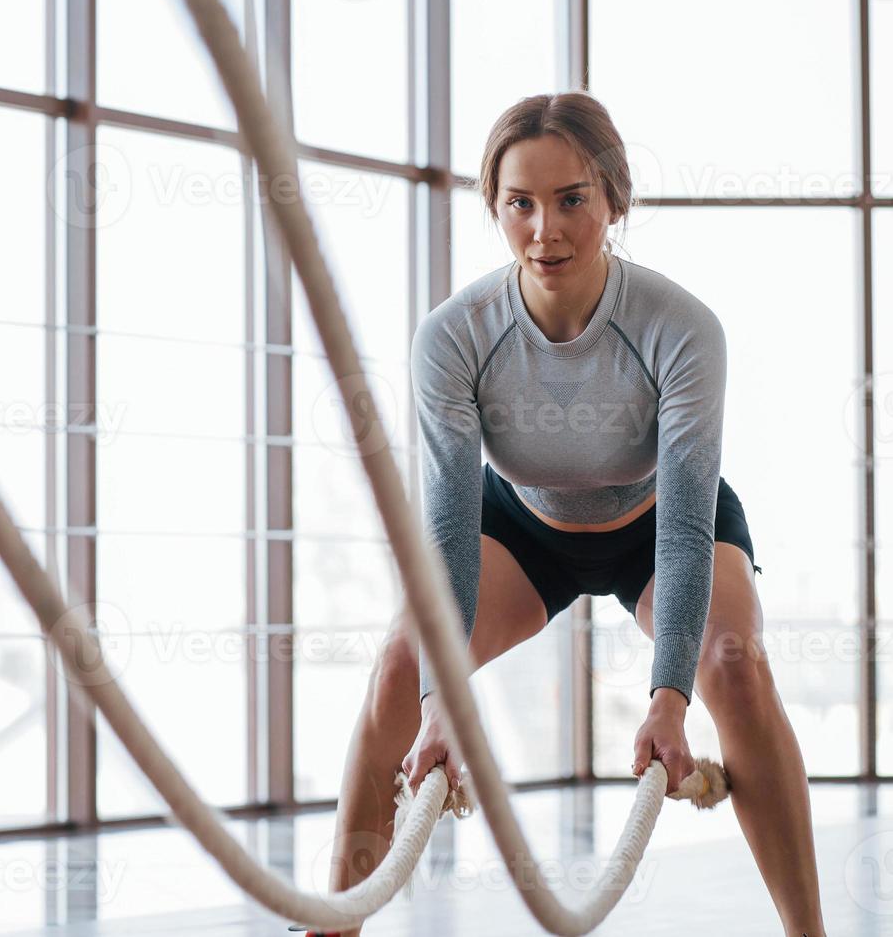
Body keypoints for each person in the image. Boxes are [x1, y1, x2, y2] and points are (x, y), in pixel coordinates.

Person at [318, 92, 825, 937]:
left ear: (614, 201)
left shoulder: (682, 328)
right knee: (401, 668)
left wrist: (669, 697)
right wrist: (443, 697)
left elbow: (690, 523)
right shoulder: (454, 336)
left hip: (661, 523)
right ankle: (332, 928)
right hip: (520, 527)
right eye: (519, 203)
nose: (544, 230)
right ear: (495, 207)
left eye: (571, 201)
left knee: (734, 666)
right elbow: (446, 527)